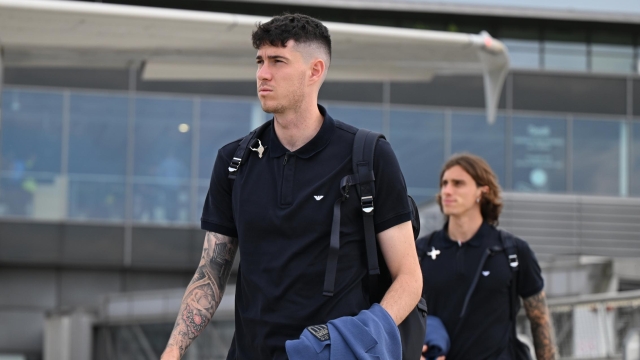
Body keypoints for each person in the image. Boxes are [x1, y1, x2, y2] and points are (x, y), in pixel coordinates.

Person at [160, 13, 422, 360]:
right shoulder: (233, 162)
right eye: (259, 61)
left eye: (277, 61)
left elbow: (408, 276)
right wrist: (174, 350)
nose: (262, 74)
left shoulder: (368, 157)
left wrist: (363, 338)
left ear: (315, 71)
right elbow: (211, 270)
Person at [418, 153, 556, 360]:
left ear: (482, 192)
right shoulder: (421, 251)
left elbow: (540, 320)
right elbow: (405, 315)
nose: (447, 190)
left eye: (458, 184)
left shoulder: (514, 251)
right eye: (444, 183)